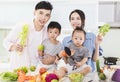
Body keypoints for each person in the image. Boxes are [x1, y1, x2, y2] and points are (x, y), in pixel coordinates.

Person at [3, 1, 53, 70]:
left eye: (47, 15)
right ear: (35, 12)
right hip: (18, 69)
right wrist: (13, 47)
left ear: (49, 17)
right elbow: (6, 41)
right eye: (41, 13)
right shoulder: (22, 26)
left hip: (36, 70)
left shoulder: (48, 33)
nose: (43, 18)